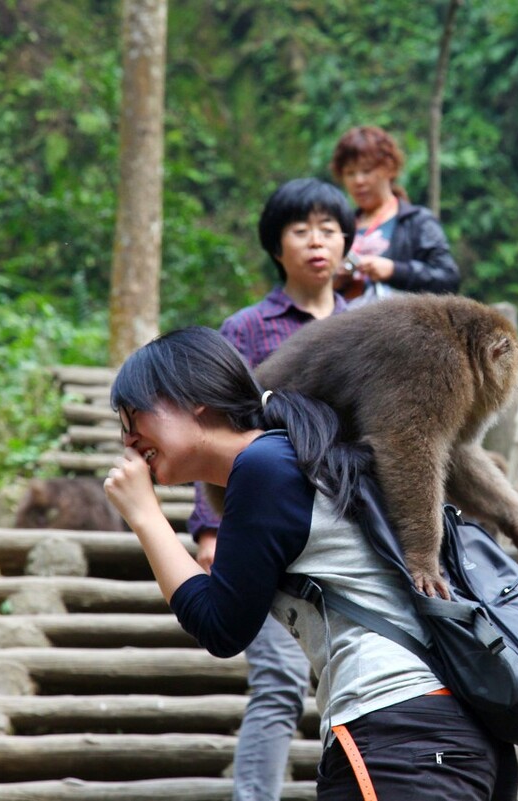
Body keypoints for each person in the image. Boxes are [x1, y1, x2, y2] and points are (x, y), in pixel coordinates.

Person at [104, 326, 518, 800]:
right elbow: (419, 590)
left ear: (191, 399)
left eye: (135, 418)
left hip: (399, 739)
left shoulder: (266, 467)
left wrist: (147, 519)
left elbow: (222, 627)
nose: (128, 440)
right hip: (456, 742)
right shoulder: (311, 457)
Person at [186, 177, 353, 801]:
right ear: (275, 246)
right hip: (256, 529)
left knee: (347, 681)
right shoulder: (247, 329)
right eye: (300, 230)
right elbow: (211, 429)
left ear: (347, 244)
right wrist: (209, 526)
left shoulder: (365, 326)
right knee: (281, 679)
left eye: (329, 230)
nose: (317, 242)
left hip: (339, 534)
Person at [330, 125, 460, 305]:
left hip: (400, 327)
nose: (358, 181)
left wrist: (395, 271)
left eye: (367, 170)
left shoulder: (418, 221)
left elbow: (448, 279)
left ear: (389, 169)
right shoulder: (340, 227)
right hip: (345, 325)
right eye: (350, 173)